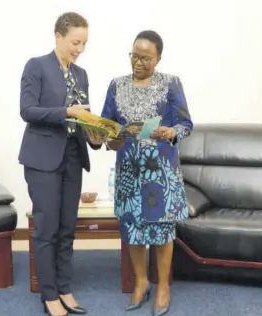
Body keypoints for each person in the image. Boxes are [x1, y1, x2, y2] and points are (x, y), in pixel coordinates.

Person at [101, 30, 193, 316]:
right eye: (134, 56)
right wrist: (107, 137)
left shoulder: (171, 83)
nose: (138, 62)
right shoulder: (116, 85)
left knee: (163, 229)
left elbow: (186, 124)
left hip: (160, 170)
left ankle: (162, 285)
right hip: (129, 168)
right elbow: (107, 126)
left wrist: (171, 132)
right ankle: (141, 282)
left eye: (146, 58)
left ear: (158, 59)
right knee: (132, 226)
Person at [19, 12, 105, 316]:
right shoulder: (37, 66)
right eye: (74, 42)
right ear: (58, 35)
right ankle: (49, 295)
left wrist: (95, 136)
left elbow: (83, 119)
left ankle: (65, 288)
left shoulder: (81, 75)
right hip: (43, 159)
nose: (79, 49)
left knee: (68, 228)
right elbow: (28, 110)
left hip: (72, 157)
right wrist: (67, 112)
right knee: (47, 229)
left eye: (83, 43)